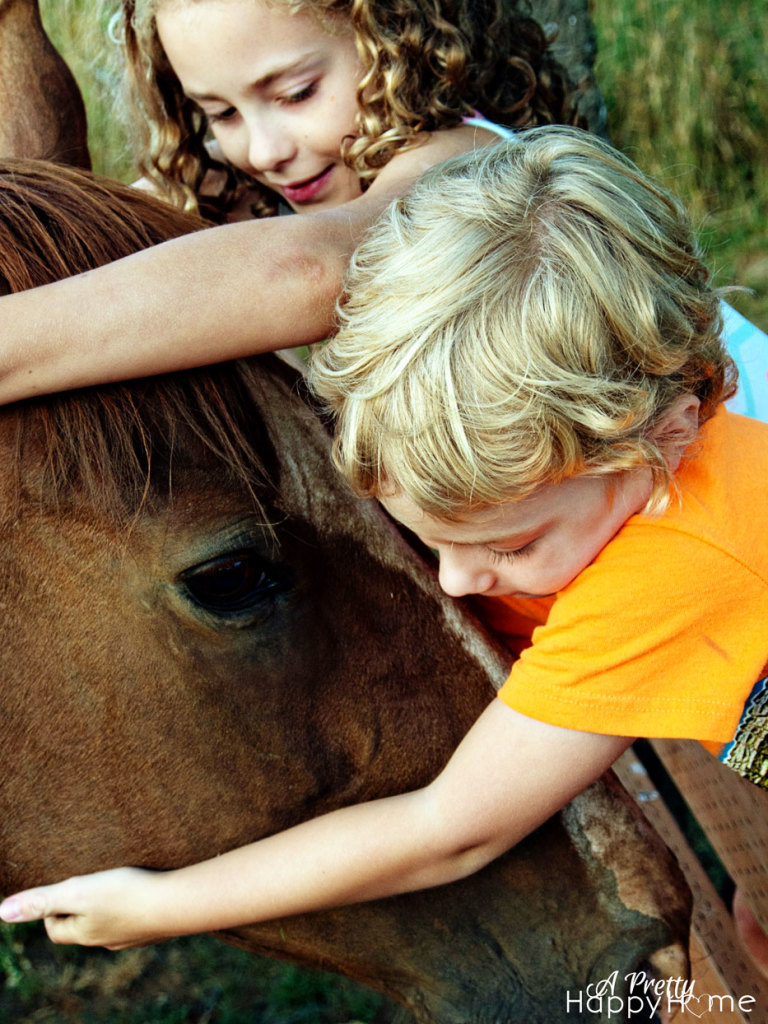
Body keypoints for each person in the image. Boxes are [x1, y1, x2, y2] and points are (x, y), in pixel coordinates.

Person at [3, 126, 765, 950]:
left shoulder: (676, 576)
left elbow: (449, 830)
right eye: (431, 541)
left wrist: (159, 908)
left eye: (508, 547)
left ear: (667, 435)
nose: (461, 582)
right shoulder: (661, 468)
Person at [0, 0, 575, 406]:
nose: (264, 150)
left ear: (391, 36)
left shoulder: (470, 158)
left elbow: (317, 268)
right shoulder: (236, 183)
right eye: (221, 113)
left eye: (295, 94)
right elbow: (99, 241)